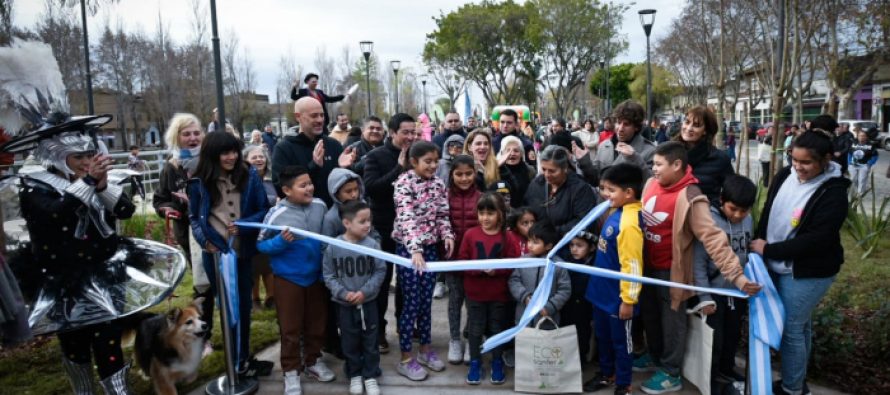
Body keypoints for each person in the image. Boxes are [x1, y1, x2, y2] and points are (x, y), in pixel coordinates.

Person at [16, 118, 137, 394]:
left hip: (103, 274)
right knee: (75, 345)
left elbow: (125, 211)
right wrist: (89, 181)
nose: (85, 161)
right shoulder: (35, 185)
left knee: (109, 342)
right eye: (78, 156)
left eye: (89, 154)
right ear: (58, 155)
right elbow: (55, 214)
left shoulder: (97, 179)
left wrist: (103, 186)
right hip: (63, 281)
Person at [638, 142, 760, 394]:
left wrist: (737, 277)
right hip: (645, 266)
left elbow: (715, 240)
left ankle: (671, 373)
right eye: (653, 164)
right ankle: (655, 355)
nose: (654, 169)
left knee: (672, 322)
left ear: (677, 165)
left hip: (672, 273)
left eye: (659, 164)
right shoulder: (651, 184)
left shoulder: (692, 198)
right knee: (650, 316)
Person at [750, 116, 850, 395]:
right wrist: (760, 246)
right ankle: (798, 382)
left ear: (827, 160)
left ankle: (792, 389)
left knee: (791, 328)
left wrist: (769, 250)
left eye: (806, 163)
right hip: (776, 261)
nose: (798, 167)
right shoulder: (784, 174)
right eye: (794, 159)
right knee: (800, 326)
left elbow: (816, 240)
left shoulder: (833, 192)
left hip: (809, 270)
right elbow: (768, 210)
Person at [188, 131, 272, 378]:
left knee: (243, 306)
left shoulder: (249, 176)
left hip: (242, 253)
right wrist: (204, 240)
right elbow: (194, 217)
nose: (232, 157)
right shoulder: (199, 181)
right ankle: (233, 361)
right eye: (225, 152)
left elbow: (263, 210)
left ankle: (243, 359)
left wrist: (245, 224)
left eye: (234, 151)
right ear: (212, 155)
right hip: (215, 255)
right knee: (226, 308)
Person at [257, 165, 335, 395]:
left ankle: (312, 362)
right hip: (288, 279)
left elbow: (326, 239)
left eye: (310, 183)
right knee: (290, 329)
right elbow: (261, 244)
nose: (309, 188)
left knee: (316, 323)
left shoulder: (320, 206)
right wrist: (280, 242)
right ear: (286, 190)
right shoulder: (277, 214)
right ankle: (291, 372)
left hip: (315, 277)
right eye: (303, 185)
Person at [392, 141, 455, 381]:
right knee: (411, 303)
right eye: (427, 161)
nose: (433, 165)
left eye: (435, 160)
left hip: (430, 250)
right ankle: (406, 358)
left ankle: (425, 350)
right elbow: (406, 217)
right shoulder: (403, 184)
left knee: (425, 303)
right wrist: (414, 249)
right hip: (409, 251)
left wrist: (447, 235)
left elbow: (442, 213)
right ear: (414, 162)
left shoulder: (439, 183)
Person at [582, 163, 645, 395]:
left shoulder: (629, 224)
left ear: (628, 193)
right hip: (601, 293)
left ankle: (624, 384)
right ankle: (607, 374)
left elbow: (633, 266)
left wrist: (628, 300)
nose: (605, 194)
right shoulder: (615, 211)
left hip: (618, 299)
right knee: (603, 338)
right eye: (604, 189)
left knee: (622, 343)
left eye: (610, 190)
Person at [692, 175, 757, 394]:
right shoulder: (709, 223)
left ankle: (726, 370)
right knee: (715, 339)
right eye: (733, 209)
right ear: (721, 200)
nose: (738, 215)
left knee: (732, 335)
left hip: (737, 292)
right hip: (714, 292)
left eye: (744, 210)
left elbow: (747, 252)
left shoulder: (748, 220)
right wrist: (704, 297)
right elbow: (698, 263)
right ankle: (710, 378)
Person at [153, 113, 210, 344]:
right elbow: (160, 199)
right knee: (201, 287)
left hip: (213, 229)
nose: (193, 138)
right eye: (187, 134)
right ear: (177, 137)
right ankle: (203, 337)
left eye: (197, 133)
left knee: (218, 285)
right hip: (188, 233)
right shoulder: (171, 167)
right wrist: (168, 208)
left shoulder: (210, 161)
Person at [363, 113, 417, 354]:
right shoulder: (375, 156)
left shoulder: (417, 153)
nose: (410, 137)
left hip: (410, 230)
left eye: (413, 132)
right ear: (393, 132)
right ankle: (379, 330)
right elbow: (372, 189)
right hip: (384, 227)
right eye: (405, 132)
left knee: (407, 283)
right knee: (383, 282)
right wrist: (399, 168)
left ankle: (404, 326)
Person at [322, 200, 386, 395]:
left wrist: (364, 292)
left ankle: (370, 375)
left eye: (369, 220)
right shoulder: (334, 246)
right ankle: (355, 374)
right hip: (344, 305)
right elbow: (329, 275)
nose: (368, 225)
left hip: (368, 304)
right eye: (362, 221)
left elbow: (380, 270)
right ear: (347, 223)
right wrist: (343, 293)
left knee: (370, 341)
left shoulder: (373, 244)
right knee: (349, 342)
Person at [460, 193, 520, 386]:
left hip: (499, 295)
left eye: (490, 213)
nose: (485, 218)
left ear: (500, 215)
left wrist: (497, 270)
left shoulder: (508, 237)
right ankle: (475, 362)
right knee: (475, 330)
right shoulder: (470, 235)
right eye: (481, 213)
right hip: (475, 294)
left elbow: (513, 261)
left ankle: (496, 361)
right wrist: (478, 269)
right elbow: (462, 260)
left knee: (497, 329)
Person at [272, 97, 356, 207]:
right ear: (298, 117)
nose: (320, 120)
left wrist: (346, 169)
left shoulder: (333, 144)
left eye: (322, 115)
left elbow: (346, 186)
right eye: (314, 115)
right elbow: (281, 188)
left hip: (334, 214)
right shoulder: (284, 148)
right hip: (303, 217)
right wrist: (314, 166)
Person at [444, 154, 480, 364]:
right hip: (452, 259)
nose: (464, 178)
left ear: (475, 174)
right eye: (459, 174)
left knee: (473, 302)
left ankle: (471, 339)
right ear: (452, 175)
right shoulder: (445, 197)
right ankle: (454, 339)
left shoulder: (482, 197)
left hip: (475, 260)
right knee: (455, 300)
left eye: (468, 174)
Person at [524, 145, 596, 239]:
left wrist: (552, 233)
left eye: (552, 171)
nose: (547, 175)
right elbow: (526, 208)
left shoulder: (580, 189)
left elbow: (584, 221)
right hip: (537, 242)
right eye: (544, 169)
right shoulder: (536, 184)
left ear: (565, 168)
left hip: (567, 245)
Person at [508, 221, 571, 327]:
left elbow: (565, 290)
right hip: (524, 319)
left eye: (535, 242)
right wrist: (525, 296)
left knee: (546, 344)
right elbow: (514, 281)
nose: (530, 245)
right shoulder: (523, 261)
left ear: (548, 246)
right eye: (529, 240)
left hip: (547, 321)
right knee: (524, 343)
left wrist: (550, 306)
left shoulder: (557, 265)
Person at [674, 106, 735, 206]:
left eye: (696, 125)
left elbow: (732, 192)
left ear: (705, 131)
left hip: (704, 216)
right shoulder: (669, 152)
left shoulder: (720, 159)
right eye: (687, 122)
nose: (689, 128)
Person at [589, 100, 657, 183]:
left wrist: (634, 158)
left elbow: (652, 183)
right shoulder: (604, 146)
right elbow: (595, 177)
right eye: (618, 122)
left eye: (626, 124)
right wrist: (583, 161)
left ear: (636, 127)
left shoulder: (650, 151)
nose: (620, 128)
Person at [244, 145, 276, 310]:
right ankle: (255, 298)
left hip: (270, 227)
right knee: (254, 265)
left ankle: (271, 296)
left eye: (261, 156)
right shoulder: (244, 180)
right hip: (252, 227)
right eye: (254, 157)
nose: (258, 159)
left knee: (268, 264)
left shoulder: (272, 179)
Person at [562, 230, 596, 367]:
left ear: (591, 247)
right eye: (571, 245)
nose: (574, 249)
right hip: (568, 307)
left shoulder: (594, 265)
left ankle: (580, 361)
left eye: (579, 245)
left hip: (585, 309)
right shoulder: (566, 263)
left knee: (582, 335)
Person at [497, 135, 536, 206]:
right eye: (508, 150)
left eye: (516, 151)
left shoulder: (530, 171)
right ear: (502, 153)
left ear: (521, 154)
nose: (512, 154)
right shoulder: (496, 170)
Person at [848, 129, 879, 195]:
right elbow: (850, 153)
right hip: (853, 164)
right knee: (853, 179)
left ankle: (860, 194)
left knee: (862, 180)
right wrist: (849, 162)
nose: (861, 137)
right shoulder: (854, 143)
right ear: (857, 136)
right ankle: (858, 190)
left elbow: (875, 155)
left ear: (866, 137)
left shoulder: (870, 145)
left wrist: (869, 163)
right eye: (860, 136)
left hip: (864, 165)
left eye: (863, 136)